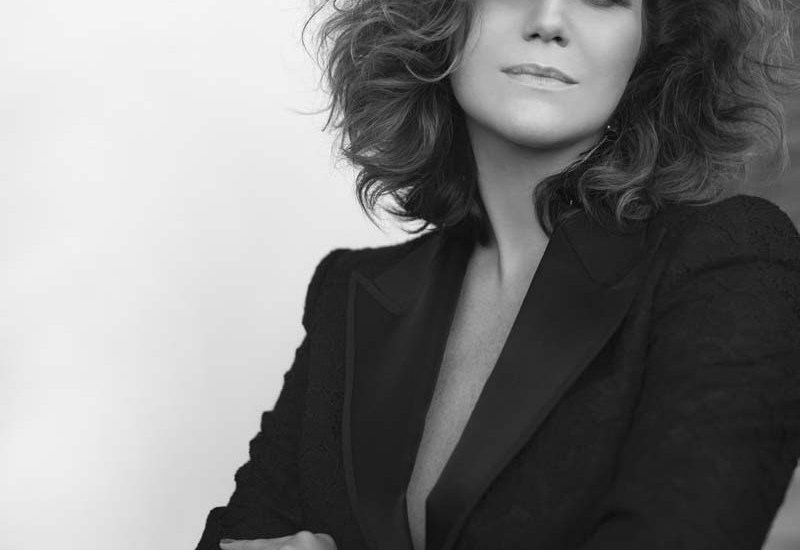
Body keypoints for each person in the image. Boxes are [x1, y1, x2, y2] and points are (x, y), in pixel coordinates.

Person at [195, 0, 800, 549]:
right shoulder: (348, 294)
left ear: (653, 46)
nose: (549, 21)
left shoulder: (731, 258)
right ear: (438, 18)